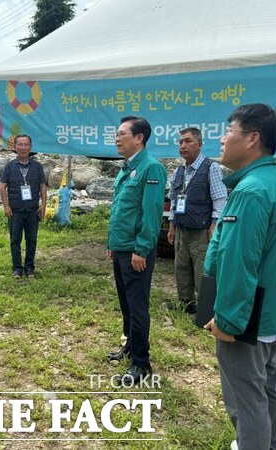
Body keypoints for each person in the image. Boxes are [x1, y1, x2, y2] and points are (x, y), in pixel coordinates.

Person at [203, 104, 276, 450]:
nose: (222, 137)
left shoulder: (250, 192)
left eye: (229, 130)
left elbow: (238, 261)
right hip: (272, 311)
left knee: (246, 401)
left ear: (252, 139)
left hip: (247, 317)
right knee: (270, 387)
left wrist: (229, 322)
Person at [106, 116, 167, 384]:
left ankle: (141, 363)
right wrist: (112, 243)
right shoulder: (127, 168)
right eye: (116, 134)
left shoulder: (151, 168)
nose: (117, 138)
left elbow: (151, 213)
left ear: (139, 137)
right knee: (126, 303)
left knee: (138, 306)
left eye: (122, 134)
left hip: (135, 251)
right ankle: (130, 345)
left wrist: (141, 249)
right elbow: (120, 210)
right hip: (121, 247)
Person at [167, 127, 228, 314]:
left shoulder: (211, 167)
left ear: (200, 144)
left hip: (201, 230)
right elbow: (173, 201)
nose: (183, 146)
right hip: (181, 228)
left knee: (202, 269)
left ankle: (205, 309)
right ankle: (186, 303)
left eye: (188, 141)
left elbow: (220, 199)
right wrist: (171, 226)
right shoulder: (179, 171)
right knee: (181, 267)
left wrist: (214, 225)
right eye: (180, 142)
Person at [0, 134, 47, 279]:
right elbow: (2, 187)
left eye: (26, 144)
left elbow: (43, 187)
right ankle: (17, 268)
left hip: (32, 210)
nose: (23, 147)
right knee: (15, 240)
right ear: (15, 147)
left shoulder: (37, 167)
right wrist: (6, 207)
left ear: (30, 147)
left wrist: (44, 205)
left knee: (32, 239)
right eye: (20, 144)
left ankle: (30, 267)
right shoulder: (9, 166)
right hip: (15, 210)